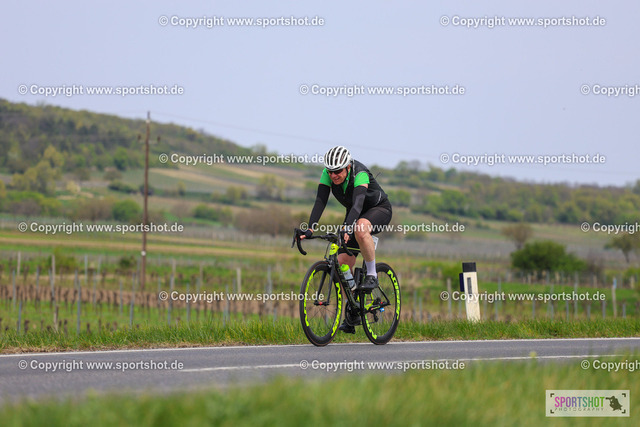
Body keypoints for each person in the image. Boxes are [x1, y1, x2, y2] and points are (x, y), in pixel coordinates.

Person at [299, 146, 392, 333]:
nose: (333, 175)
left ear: (348, 167)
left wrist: (348, 227)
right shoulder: (327, 174)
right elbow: (320, 201)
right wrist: (310, 228)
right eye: (330, 171)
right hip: (354, 214)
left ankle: (372, 275)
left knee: (360, 228)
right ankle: (353, 311)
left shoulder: (360, 174)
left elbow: (358, 204)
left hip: (378, 210)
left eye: (338, 171)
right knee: (342, 264)